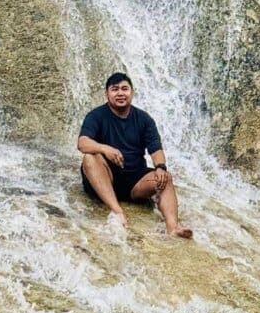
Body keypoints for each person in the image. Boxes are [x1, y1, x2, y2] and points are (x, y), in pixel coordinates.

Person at [78, 72, 193, 239]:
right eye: (115, 89)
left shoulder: (144, 119)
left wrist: (160, 167)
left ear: (132, 92)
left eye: (124, 89)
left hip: (134, 182)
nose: (120, 93)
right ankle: (117, 211)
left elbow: (156, 149)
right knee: (90, 157)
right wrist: (105, 149)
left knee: (164, 178)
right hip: (104, 179)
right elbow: (82, 143)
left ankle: (173, 227)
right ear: (107, 94)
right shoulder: (96, 116)